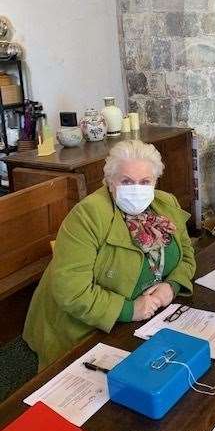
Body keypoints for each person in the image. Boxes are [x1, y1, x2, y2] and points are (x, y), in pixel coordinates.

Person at [23, 139, 196, 370]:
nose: (137, 188)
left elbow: (186, 256)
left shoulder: (166, 204)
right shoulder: (87, 216)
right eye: (126, 181)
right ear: (110, 182)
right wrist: (129, 309)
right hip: (87, 326)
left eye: (145, 182)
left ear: (155, 182)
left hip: (151, 317)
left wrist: (172, 286)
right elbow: (71, 292)